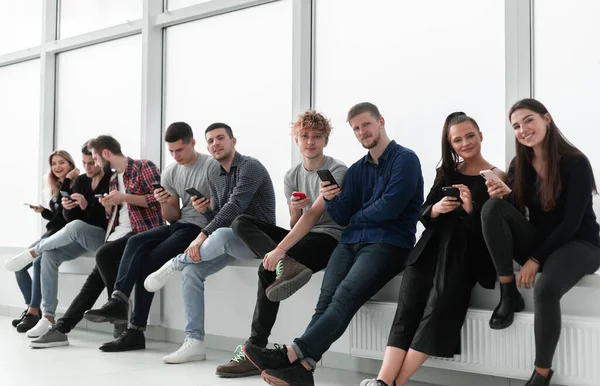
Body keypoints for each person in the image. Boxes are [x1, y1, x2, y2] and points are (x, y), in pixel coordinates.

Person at [242, 102, 424, 386]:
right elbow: (341, 215)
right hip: (351, 241)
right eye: (356, 128)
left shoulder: (406, 159)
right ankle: (303, 370)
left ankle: (291, 353)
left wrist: (357, 215)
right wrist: (331, 198)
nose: (362, 132)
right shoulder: (357, 170)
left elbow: (390, 208)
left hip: (388, 244)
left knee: (345, 296)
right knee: (324, 302)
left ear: (381, 122)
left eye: (366, 124)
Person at [360, 112, 500, 386]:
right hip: (429, 249)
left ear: (481, 135)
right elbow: (423, 213)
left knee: (437, 311)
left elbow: (492, 231)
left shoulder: (497, 176)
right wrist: (437, 208)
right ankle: (382, 382)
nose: (465, 143)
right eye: (457, 140)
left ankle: (389, 384)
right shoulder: (446, 172)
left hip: (463, 255)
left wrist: (470, 208)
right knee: (406, 310)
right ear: (450, 144)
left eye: (470, 136)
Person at [214, 111, 347, 378]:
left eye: (316, 137)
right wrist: (295, 209)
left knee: (266, 268)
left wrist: (280, 250)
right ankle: (286, 265)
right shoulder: (291, 175)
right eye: (304, 136)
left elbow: (313, 217)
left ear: (325, 141)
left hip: (329, 238)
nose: (310, 142)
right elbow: (297, 219)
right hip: (303, 234)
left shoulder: (337, 170)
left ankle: (254, 349)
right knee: (240, 221)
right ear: (296, 140)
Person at [481, 98, 600, 386]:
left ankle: (541, 374)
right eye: (516, 126)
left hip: (580, 244)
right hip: (542, 241)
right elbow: (519, 211)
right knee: (492, 209)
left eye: (528, 120)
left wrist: (535, 259)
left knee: (546, 288)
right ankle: (508, 292)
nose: (523, 129)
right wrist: (504, 196)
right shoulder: (519, 163)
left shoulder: (575, 162)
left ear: (546, 118)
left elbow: (571, 223)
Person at [142, 122, 276, 364]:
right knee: (192, 270)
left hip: (260, 241)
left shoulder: (250, 167)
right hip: (232, 239)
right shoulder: (216, 174)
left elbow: (236, 207)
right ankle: (194, 342)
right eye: (211, 140)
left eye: (220, 138)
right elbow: (222, 218)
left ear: (233, 141)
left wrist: (202, 234)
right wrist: (205, 212)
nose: (216, 144)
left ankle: (174, 263)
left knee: (221, 236)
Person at [83, 124, 217, 353]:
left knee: (148, 262)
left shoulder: (211, 167)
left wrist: (206, 206)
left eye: (180, 150)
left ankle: (135, 331)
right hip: (180, 225)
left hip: (202, 227)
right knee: (136, 242)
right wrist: (165, 201)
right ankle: (118, 300)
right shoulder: (171, 171)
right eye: (172, 151)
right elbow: (172, 216)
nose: (176, 156)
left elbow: (222, 209)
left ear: (193, 143)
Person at [29, 135, 163, 348]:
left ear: (106, 154)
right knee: (92, 283)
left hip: (142, 233)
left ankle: (105, 318)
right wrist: (109, 207)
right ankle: (62, 329)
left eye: (95, 159)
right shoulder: (112, 180)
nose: (94, 164)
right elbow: (114, 218)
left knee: (101, 259)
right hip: (116, 236)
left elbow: (159, 200)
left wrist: (124, 198)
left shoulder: (143, 166)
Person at [7, 142, 112, 338]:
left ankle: (33, 251)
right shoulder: (81, 181)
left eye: (92, 163)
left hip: (102, 237)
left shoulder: (111, 180)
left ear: (101, 160)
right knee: (48, 257)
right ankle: (47, 317)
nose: (88, 167)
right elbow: (69, 220)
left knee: (74, 228)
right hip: (80, 237)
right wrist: (69, 208)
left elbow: (104, 220)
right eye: (84, 163)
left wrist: (84, 206)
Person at [6, 150, 77, 333]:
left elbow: (69, 217)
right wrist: (44, 211)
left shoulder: (76, 185)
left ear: (70, 164)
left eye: (61, 162)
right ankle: (32, 309)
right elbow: (58, 215)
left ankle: (33, 312)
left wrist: (69, 180)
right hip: (50, 233)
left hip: (63, 235)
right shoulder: (57, 187)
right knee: (19, 265)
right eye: (54, 164)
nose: (57, 167)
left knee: (37, 261)